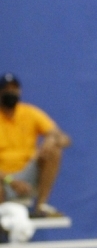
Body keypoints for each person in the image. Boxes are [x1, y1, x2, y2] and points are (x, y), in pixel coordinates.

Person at [0, 73, 71, 217]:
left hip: (28, 173)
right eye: (6, 89)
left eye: (14, 89)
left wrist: (52, 139)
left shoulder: (29, 113)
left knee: (54, 150)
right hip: (4, 178)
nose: (11, 92)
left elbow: (65, 139)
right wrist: (11, 181)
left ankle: (41, 206)